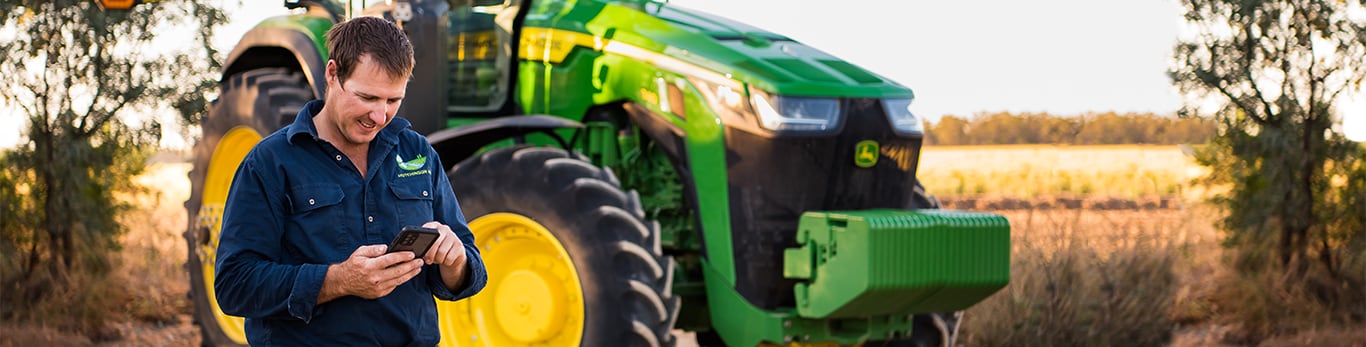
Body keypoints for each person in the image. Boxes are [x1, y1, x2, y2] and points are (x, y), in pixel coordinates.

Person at [214, 16, 486, 346]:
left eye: (393, 100)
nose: (380, 116)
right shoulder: (269, 163)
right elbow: (234, 285)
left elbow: (469, 268)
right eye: (368, 98)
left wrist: (455, 260)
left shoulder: (418, 152)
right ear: (332, 74)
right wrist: (338, 280)